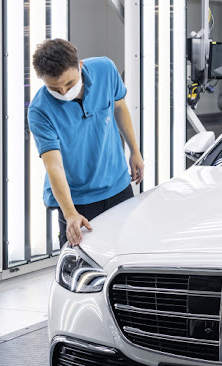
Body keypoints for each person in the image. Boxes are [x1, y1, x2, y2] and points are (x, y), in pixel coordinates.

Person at [28, 39, 144, 246]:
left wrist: (135, 151)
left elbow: (119, 107)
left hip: (118, 186)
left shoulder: (105, 69)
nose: (63, 92)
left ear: (80, 66)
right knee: (80, 267)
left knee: (127, 251)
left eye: (69, 84)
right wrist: (70, 213)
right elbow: (53, 165)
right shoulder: (39, 110)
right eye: (55, 88)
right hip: (77, 200)